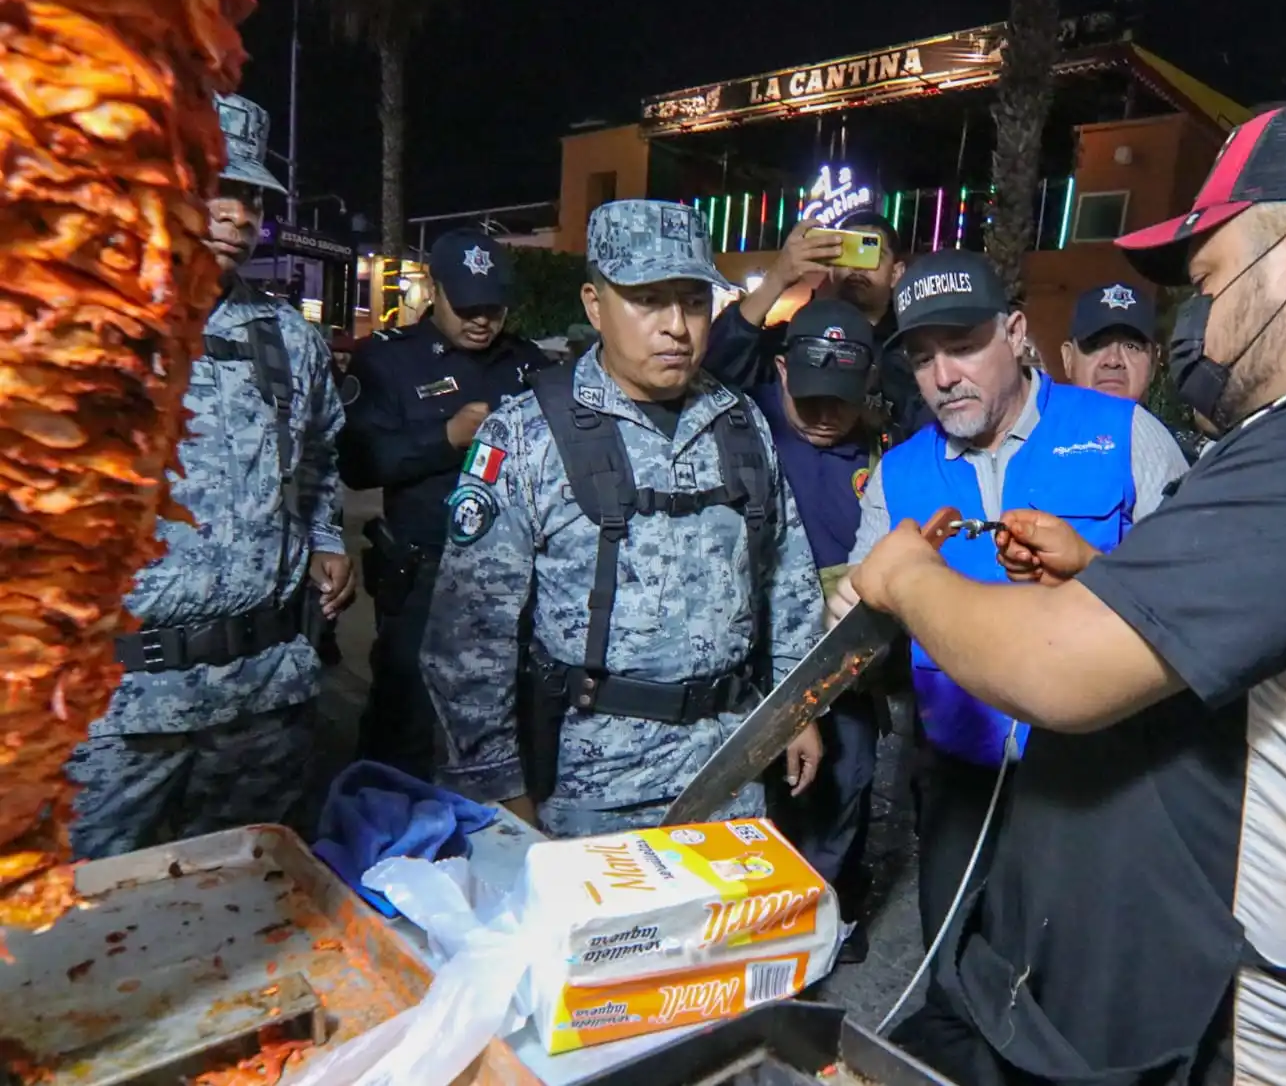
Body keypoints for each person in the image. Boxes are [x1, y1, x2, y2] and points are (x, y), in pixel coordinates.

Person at [844, 100, 1286, 1085]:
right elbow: (1273, 627)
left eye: (1209, 277)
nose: (1196, 322)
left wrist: (909, 576)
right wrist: (1106, 577)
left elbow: (1056, 669)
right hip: (1145, 1002)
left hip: (1253, 1038)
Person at [419, 199, 824, 837]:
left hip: (731, 773)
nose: (677, 327)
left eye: (693, 301)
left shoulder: (741, 423)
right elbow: (469, 636)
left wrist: (796, 712)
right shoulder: (528, 434)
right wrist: (497, 790)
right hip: (590, 789)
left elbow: (787, 579)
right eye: (646, 300)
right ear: (593, 304)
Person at [830, 249, 1190, 951]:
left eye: (963, 347)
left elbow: (1188, 611)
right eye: (924, 358)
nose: (943, 377)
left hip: (1101, 783)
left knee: (1079, 983)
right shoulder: (896, 476)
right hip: (959, 782)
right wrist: (849, 616)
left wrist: (1093, 570)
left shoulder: (1123, 435)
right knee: (955, 980)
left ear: (1017, 333)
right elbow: (860, 632)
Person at [67, 95, 355, 858]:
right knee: (76, 934)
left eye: (252, 196)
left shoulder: (286, 339)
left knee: (250, 922)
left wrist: (325, 534)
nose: (237, 214)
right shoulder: (72, 327)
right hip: (117, 711)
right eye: (216, 187)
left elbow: (320, 453)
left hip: (262, 697)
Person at [337, 231, 550, 780]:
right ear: (434, 290)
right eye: (468, 306)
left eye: (493, 307)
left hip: (515, 580)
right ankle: (380, 838)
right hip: (424, 579)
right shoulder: (389, 360)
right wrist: (445, 439)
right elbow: (357, 463)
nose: (482, 320)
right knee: (404, 725)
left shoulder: (528, 364)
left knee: (506, 722)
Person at [752, 297, 895, 964]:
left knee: (847, 778)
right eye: (810, 398)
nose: (824, 415)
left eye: (841, 399)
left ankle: (820, 912)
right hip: (754, 664)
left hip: (848, 663)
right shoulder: (743, 430)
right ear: (781, 371)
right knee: (762, 796)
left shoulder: (881, 449)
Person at [704, 211, 931, 435]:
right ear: (830, 264)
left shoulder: (914, 349)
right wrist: (777, 278)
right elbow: (713, 371)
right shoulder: (793, 338)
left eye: (871, 255)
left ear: (896, 273)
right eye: (848, 252)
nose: (859, 267)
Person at [1060, 281, 1160, 403]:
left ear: (1153, 363)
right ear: (1068, 359)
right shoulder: (1040, 421)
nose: (1113, 361)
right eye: (1096, 344)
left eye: (1131, 346)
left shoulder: (1152, 423)